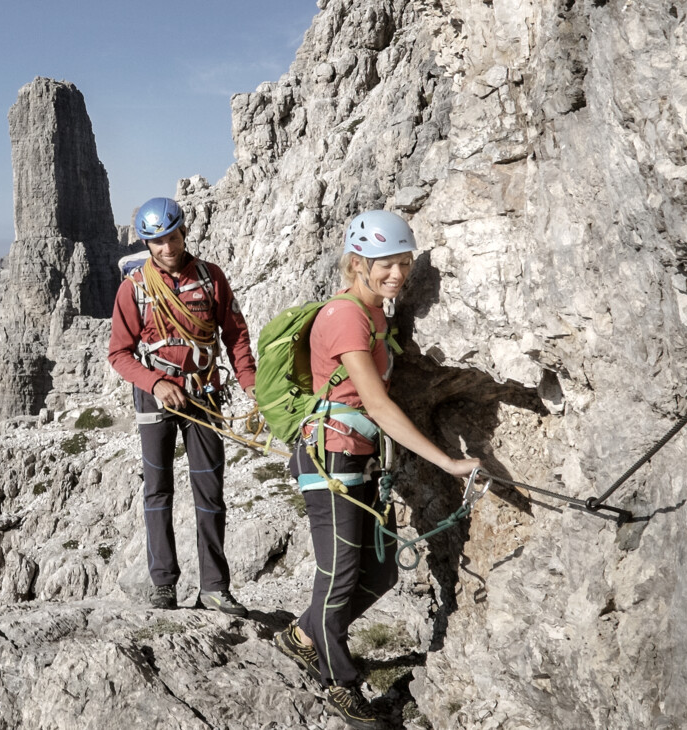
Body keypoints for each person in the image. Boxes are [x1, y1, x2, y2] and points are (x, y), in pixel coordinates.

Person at [270, 210, 480, 730]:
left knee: (381, 571)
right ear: (358, 263)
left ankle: (304, 635)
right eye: (387, 263)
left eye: (405, 263)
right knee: (340, 575)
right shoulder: (346, 317)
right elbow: (378, 405)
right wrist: (446, 462)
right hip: (331, 459)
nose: (398, 274)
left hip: (360, 459)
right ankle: (340, 683)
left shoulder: (376, 316)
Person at [107, 196, 257, 615]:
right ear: (146, 243)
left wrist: (249, 382)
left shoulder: (211, 279)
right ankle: (163, 585)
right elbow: (119, 353)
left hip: (204, 392)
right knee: (158, 489)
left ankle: (214, 587)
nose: (167, 248)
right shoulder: (134, 288)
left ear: (184, 233)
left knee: (210, 490)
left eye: (172, 238)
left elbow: (235, 334)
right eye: (157, 242)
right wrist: (155, 383)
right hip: (156, 395)